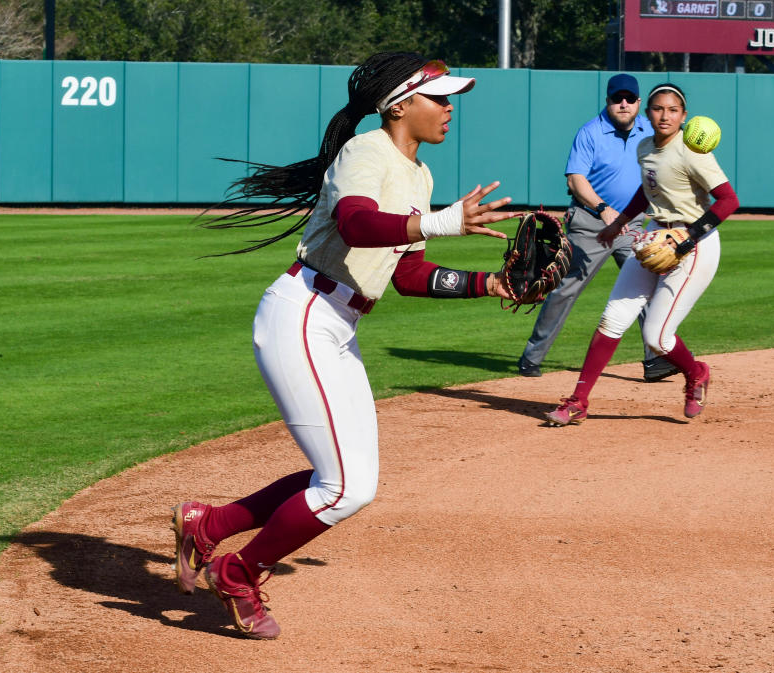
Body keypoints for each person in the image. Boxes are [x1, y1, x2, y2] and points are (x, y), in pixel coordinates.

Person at [171, 52, 517, 639]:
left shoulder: (420, 175)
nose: (450, 107)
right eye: (440, 97)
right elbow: (357, 225)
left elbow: (408, 276)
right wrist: (440, 222)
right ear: (401, 104)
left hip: (338, 325)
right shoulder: (365, 152)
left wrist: (490, 284)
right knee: (345, 487)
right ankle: (238, 570)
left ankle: (209, 525)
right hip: (303, 313)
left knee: (347, 477)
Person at [544, 82, 739, 426]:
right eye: (658, 109)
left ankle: (696, 373)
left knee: (656, 336)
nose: (665, 115)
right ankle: (578, 401)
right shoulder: (645, 146)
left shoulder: (692, 152)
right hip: (655, 236)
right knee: (613, 318)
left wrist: (689, 237)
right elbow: (646, 190)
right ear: (648, 113)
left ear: (684, 117)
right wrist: (617, 223)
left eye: (673, 110)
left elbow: (729, 201)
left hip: (695, 243)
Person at [517, 73, 678, 383]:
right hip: (591, 223)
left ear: (638, 103)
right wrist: (602, 208)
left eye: (629, 99)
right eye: (617, 98)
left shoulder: (649, 129)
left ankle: (655, 358)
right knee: (565, 290)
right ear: (607, 101)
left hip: (630, 224)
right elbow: (575, 179)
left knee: (645, 286)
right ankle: (531, 357)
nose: (623, 104)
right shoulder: (591, 132)